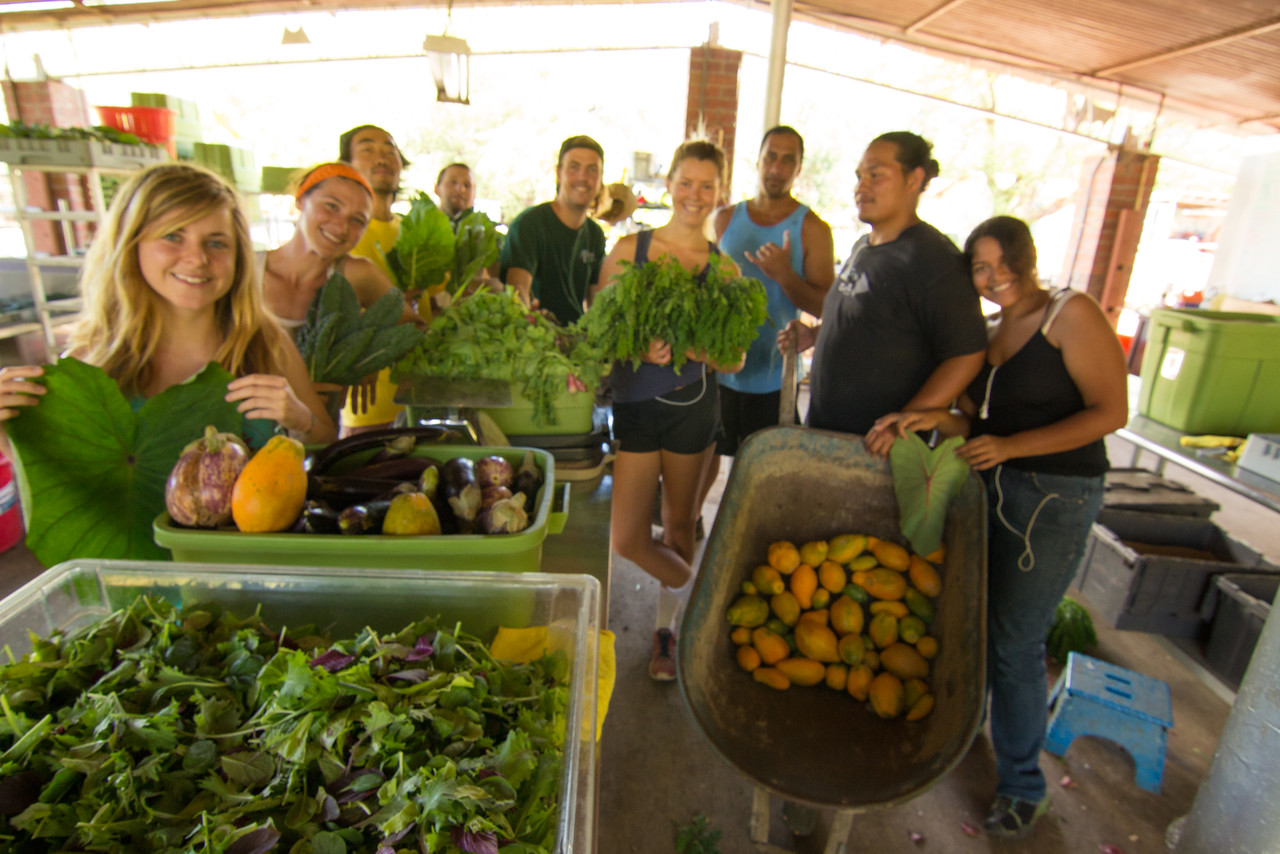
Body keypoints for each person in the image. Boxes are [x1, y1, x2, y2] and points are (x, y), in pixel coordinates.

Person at [875, 216, 1128, 838]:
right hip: (994, 488)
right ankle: (964, 737)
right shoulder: (989, 333)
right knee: (976, 620)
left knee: (1015, 642)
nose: (995, 277)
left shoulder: (1071, 314)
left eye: (1003, 261)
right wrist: (920, 417)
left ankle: (1022, 786)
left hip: (1058, 496)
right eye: (981, 269)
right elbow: (975, 425)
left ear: (1028, 256)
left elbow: (1111, 412)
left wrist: (1013, 448)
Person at [0, 162, 335, 451]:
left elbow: (328, 443)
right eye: (173, 236)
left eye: (216, 243)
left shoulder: (265, 345)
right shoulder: (91, 362)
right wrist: (8, 431)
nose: (197, 258)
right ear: (131, 244)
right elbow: (59, 482)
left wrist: (300, 419)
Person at [593, 140, 747, 682]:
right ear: (668, 185)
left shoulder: (723, 271)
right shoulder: (629, 251)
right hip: (636, 409)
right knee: (628, 537)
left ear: (719, 193)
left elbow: (736, 357)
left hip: (694, 411)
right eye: (686, 183)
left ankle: (668, 629)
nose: (695, 195)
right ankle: (703, 594)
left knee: (679, 523)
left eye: (707, 186)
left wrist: (698, 351)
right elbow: (601, 332)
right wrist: (637, 348)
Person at [779, 131, 987, 453]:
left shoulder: (934, 261)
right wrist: (814, 335)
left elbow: (967, 353)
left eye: (875, 175)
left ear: (914, 179)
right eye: (860, 176)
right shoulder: (864, 246)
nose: (861, 187)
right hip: (828, 435)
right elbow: (867, 319)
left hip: (878, 453)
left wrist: (905, 418)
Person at [698, 125, 835, 521]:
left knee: (759, 472)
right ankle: (689, 525)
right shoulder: (724, 219)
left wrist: (784, 275)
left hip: (773, 374)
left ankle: (745, 537)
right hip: (717, 367)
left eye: (788, 159)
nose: (777, 167)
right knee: (704, 455)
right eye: (771, 156)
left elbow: (829, 306)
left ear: (799, 168)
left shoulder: (813, 229)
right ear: (757, 160)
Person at [261, 162, 416, 431]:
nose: (341, 226)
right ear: (300, 200)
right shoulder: (245, 271)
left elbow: (413, 326)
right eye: (331, 206)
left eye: (357, 220)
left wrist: (371, 354)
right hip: (242, 437)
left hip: (318, 443)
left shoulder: (358, 274)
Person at [339, 125, 415, 432]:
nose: (381, 157)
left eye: (389, 150)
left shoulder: (411, 229)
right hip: (366, 404)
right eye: (367, 149)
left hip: (416, 395)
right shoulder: (340, 233)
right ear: (347, 166)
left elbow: (436, 303)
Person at [500, 135, 606, 324]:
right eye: (574, 167)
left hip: (576, 340)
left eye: (592, 170)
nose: (583, 177)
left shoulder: (595, 235)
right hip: (536, 339)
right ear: (558, 173)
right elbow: (517, 292)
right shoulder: (530, 224)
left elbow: (596, 303)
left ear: (600, 180)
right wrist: (531, 324)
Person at [435, 162, 476, 229]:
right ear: (436, 189)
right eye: (453, 182)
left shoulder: (483, 234)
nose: (461, 189)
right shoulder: (419, 225)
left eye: (467, 185)